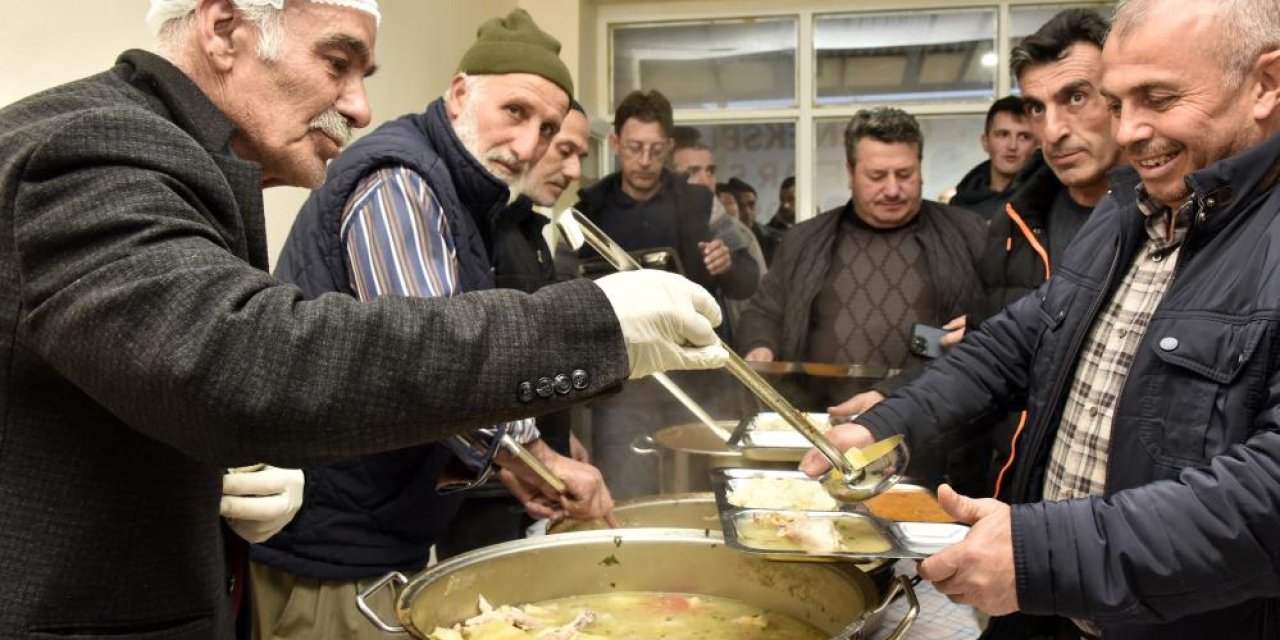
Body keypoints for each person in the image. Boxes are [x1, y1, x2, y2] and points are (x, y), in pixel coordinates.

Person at [0, 1, 729, 636]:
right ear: (223, 28)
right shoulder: (95, 146)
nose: (357, 107)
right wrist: (593, 324)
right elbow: (243, 361)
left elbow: (132, 367)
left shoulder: (182, 159)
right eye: (337, 62)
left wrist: (211, 473)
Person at [805, 1, 1280, 637]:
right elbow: (1013, 344)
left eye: (1158, 98)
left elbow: (1266, 496)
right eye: (1117, 104)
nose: (1130, 131)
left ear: (1266, 86)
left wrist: (1042, 554)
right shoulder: (1129, 214)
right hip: (1046, 614)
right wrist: (885, 426)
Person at [252, 18, 617, 636]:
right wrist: (539, 458)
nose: (529, 145)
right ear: (459, 94)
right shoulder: (402, 182)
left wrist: (519, 465)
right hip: (331, 553)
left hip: (377, 535)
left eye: (548, 129)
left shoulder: (463, 192)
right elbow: (433, 365)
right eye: (516, 111)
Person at [832, 8, 1123, 496]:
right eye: (1036, 107)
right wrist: (891, 403)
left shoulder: (1161, 221)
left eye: (1076, 98)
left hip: (1118, 514)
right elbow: (990, 353)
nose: (1051, 131)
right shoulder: (1010, 226)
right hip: (1011, 492)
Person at [736, 107, 986, 486]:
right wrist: (761, 348)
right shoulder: (804, 240)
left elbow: (1000, 327)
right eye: (876, 176)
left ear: (920, 168)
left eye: (905, 175)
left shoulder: (969, 234)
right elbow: (764, 312)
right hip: (823, 438)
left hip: (932, 443)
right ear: (851, 174)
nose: (892, 189)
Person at [434, 103, 601, 561]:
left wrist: (558, 430)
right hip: (484, 490)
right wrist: (532, 455)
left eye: (581, 156)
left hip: (526, 471)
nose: (574, 171)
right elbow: (462, 369)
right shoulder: (483, 233)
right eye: (564, 150)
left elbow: (530, 356)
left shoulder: (530, 229)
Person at [574, 90, 759, 497]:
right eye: (635, 148)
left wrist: (727, 264)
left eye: (656, 150)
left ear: (670, 149)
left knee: (701, 493)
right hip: (621, 386)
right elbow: (563, 286)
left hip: (695, 381)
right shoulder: (590, 208)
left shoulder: (699, 203)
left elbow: (749, 280)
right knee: (627, 493)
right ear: (616, 144)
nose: (644, 161)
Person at [949, 96, 1038, 220]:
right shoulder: (960, 204)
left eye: (1024, 137)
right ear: (986, 142)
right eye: (1003, 135)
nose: (1012, 146)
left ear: (1036, 145)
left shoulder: (1047, 199)